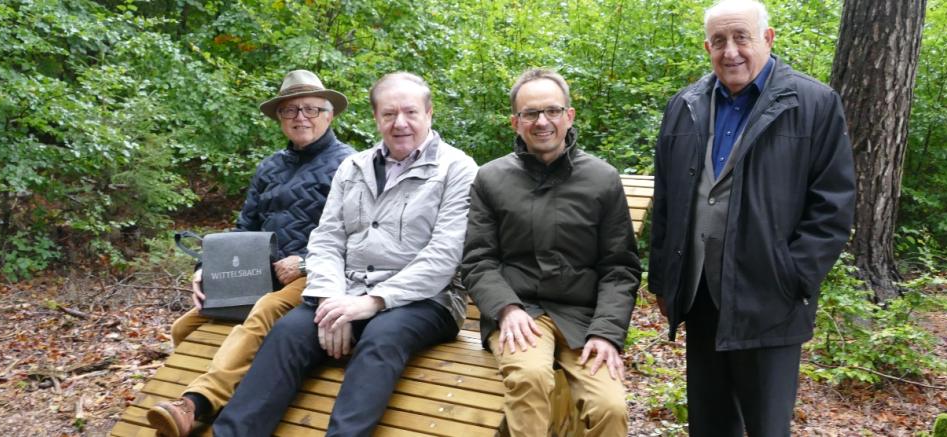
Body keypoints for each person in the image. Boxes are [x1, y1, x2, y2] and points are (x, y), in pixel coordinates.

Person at [212, 72, 478, 436]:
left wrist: (372, 302)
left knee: (382, 336)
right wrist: (331, 299)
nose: (400, 123)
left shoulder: (458, 169)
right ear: (376, 118)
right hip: (346, 292)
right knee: (288, 332)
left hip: (429, 299)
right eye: (389, 114)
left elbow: (444, 257)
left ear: (429, 113)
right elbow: (326, 240)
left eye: (411, 112)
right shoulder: (353, 168)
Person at [648, 0, 856, 435]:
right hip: (701, 292)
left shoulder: (813, 103)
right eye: (719, 41)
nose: (731, 51)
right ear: (707, 47)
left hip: (770, 299)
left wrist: (792, 276)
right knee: (710, 421)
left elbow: (833, 205)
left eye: (741, 37)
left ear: (767, 38)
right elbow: (666, 200)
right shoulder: (684, 105)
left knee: (765, 425)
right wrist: (664, 280)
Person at [146, 69, 354, 437]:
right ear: (279, 119)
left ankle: (196, 404)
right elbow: (244, 228)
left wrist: (305, 259)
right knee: (187, 326)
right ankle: (222, 392)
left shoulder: (351, 165)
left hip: (317, 275)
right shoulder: (270, 167)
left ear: (329, 114)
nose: (300, 118)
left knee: (265, 311)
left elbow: (358, 232)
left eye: (310, 109)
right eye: (290, 111)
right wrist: (206, 268)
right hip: (256, 274)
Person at [462, 69, 642, 436]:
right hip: (521, 311)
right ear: (515, 123)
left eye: (552, 111)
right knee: (530, 379)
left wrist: (606, 333)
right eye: (530, 114)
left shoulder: (602, 179)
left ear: (569, 116)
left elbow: (619, 267)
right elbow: (479, 260)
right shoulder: (490, 179)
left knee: (609, 407)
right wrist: (506, 309)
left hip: (583, 317)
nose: (541, 121)